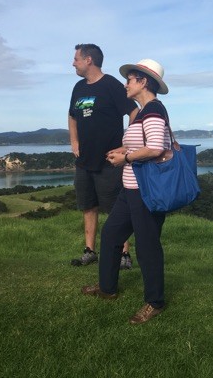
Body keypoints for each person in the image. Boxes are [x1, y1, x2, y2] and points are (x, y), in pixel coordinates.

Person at [81, 59, 171, 325]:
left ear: (143, 82)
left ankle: (155, 302)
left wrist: (126, 158)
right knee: (110, 235)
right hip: (130, 189)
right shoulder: (144, 112)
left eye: (130, 79)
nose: (126, 84)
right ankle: (107, 289)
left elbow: (155, 148)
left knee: (147, 247)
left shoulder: (153, 110)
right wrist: (124, 151)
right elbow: (144, 144)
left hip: (146, 191)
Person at [69, 44, 138, 268]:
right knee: (88, 205)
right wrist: (74, 141)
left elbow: (134, 111)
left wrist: (126, 144)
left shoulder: (111, 86)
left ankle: (123, 254)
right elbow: (72, 116)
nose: (73, 63)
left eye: (76, 59)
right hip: (84, 160)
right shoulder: (78, 87)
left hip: (109, 160)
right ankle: (90, 251)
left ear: (89, 60)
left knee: (116, 208)